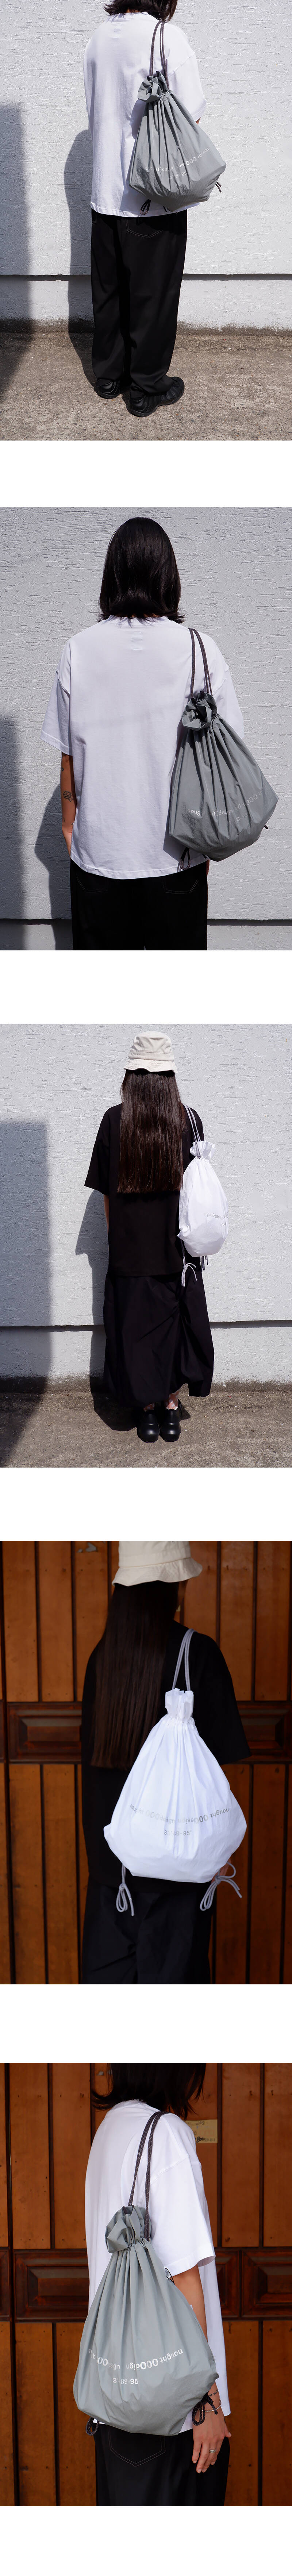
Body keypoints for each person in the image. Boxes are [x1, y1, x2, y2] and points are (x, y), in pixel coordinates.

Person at [41, 515, 244, 954]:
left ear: (112, 575)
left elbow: (67, 757)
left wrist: (70, 828)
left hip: (98, 859)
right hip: (179, 856)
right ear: (168, 575)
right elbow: (227, 751)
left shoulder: (78, 649)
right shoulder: (200, 649)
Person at [81, 1540, 249, 1983]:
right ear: (172, 1586)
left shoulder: (102, 1659)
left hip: (112, 1868)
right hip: (179, 1865)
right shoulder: (198, 1653)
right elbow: (219, 1759)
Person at [84, 2062, 231, 2504]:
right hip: (171, 2406)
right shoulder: (163, 2133)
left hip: (116, 2392)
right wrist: (206, 2403)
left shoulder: (110, 2129)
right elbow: (184, 2276)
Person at [85, 1029, 216, 1444]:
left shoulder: (114, 1120)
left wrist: (118, 1237)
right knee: (174, 1324)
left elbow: (106, 1194)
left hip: (130, 1250)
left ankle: (145, 1409)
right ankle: (170, 1405)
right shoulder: (188, 1120)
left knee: (134, 1328)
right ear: (170, 1076)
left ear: (131, 1075)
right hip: (176, 1249)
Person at [83, 3, 207, 415]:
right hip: (152, 194)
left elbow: (94, 108)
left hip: (105, 190)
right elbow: (191, 113)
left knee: (110, 289)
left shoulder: (98, 38)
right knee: (153, 295)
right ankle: (146, 387)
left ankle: (109, 376)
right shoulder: (166, 37)